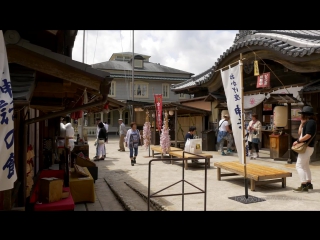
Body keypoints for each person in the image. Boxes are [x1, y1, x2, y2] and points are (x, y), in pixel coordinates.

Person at [292, 106, 317, 193]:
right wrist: (301, 124)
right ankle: (309, 184)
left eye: (302, 114)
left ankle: (303, 185)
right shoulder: (308, 122)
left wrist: (298, 141)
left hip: (306, 147)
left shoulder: (310, 123)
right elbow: (300, 133)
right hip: (308, 147)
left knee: (299, 166)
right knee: (305, 166)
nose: (300, 116)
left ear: (305, 115)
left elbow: (308, 135)